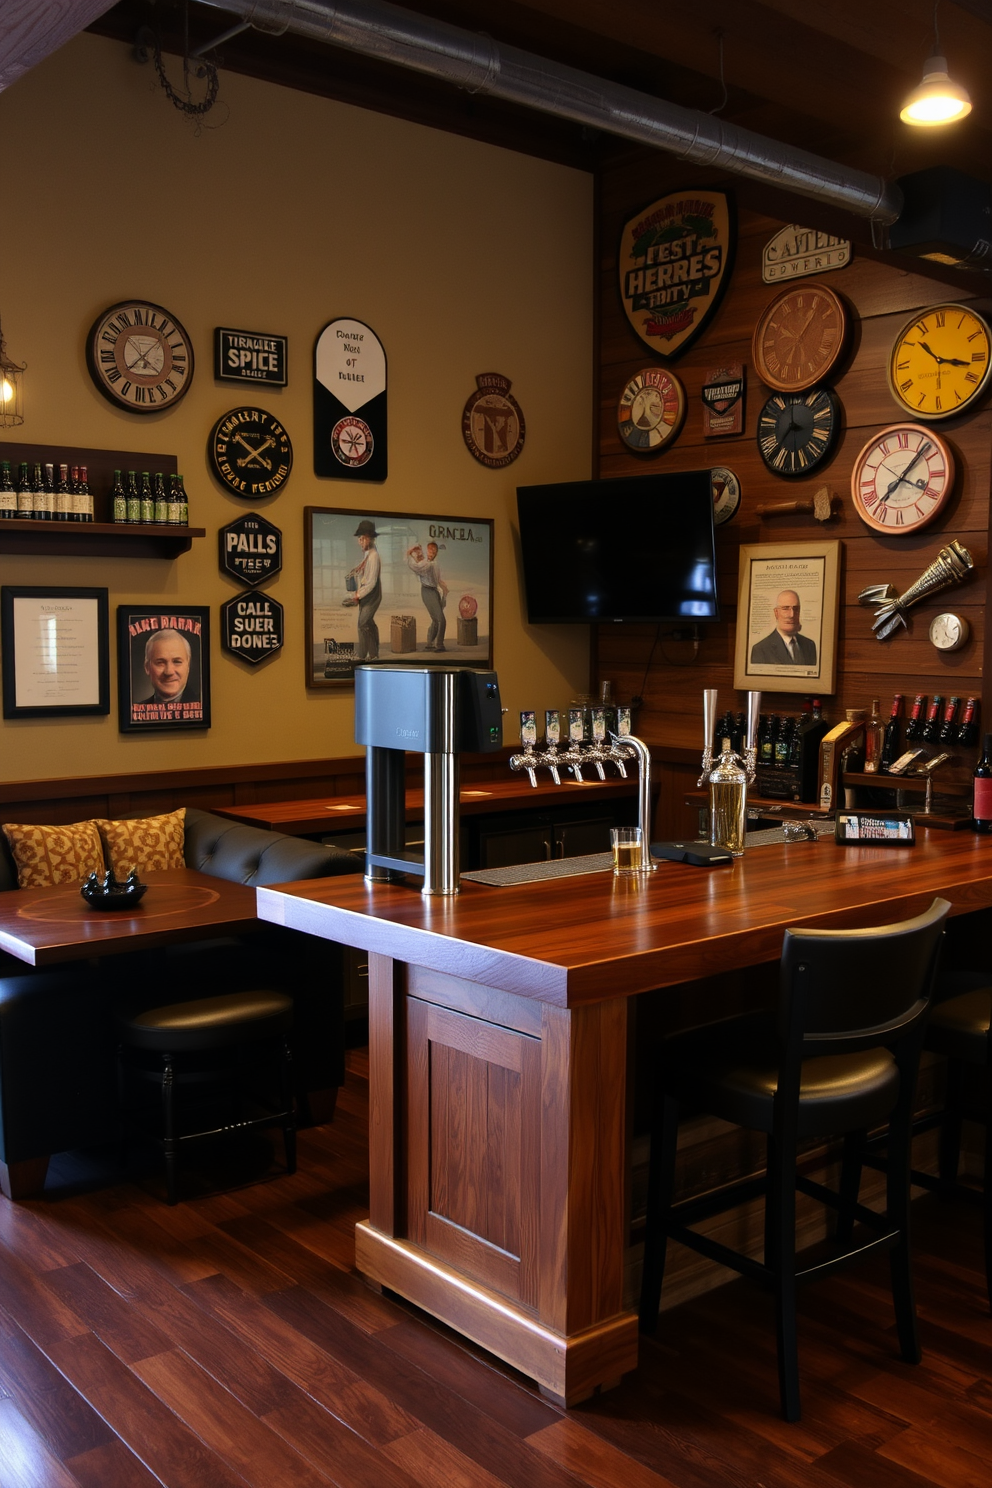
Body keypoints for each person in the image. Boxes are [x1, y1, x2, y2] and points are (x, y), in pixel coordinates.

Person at [343, 519, 382, 660]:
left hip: (372, 594)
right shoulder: (368, 555)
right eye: (359, 539)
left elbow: (371, 583)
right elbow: (365, 576)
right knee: (369, 623)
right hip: (366, 594)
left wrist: (357, 595)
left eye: (362, 538)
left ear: (370, 538)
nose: (360, 541)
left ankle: (361, 655)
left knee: (362, 624)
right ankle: (373, 654)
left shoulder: (374, 556)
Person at [750, 589, 817, 665]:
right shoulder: (761, 649)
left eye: (796, 609)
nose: (791, 615)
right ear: (776, 613)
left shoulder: (809, 645)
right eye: (785, 608)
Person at [407, 540, 448, 652]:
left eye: (434, 551)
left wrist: (444, 590)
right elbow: (416, 567)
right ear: (427, 551)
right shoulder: (427, 564)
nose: (431, 553)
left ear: (436, 553)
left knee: (436, 619)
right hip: (427, 591)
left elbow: (437, 579)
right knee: (441, 620)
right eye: (430, 551)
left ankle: (430, 643)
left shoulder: (433, 564)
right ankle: (439, 644)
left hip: (434, 591)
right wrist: (410, 555)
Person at [137, 628, 194, 704]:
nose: (169, 671)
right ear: (147, 667)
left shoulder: (204, 705)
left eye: (177, 662)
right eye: (160, 663)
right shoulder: (137, 711)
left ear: (188, 665)